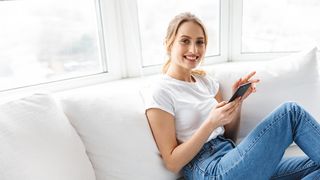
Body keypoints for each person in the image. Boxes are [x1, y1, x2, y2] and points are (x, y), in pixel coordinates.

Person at [144, 12, 320, 180]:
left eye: (200, 42)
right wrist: (210, 123)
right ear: (168, 43)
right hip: (209, 169)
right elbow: (172, 163)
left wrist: (237, 103)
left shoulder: (207, 83)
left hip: (232, 157)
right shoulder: (161, 91)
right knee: (291, 113)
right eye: (185, 41)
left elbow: (229, 138)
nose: (193, 49)